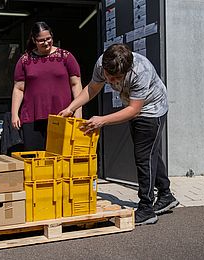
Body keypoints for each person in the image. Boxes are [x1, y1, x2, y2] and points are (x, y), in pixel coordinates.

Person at [59, 43, 179, 225]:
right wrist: (71, 107)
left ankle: (146, 208)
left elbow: (133, 110)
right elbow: (92, 88)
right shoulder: (103, 63)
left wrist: (102, 120)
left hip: (152, 109)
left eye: (118, 78)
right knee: (150, 153)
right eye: (110, 77)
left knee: (143, 156)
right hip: (134, 106)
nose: (113, 81)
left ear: (128, 70)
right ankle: (166, 194)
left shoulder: (141, 71)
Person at [11, 21, 82, 151]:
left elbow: (76, 84)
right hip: (32, 117)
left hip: (62, 116)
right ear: (34, 40)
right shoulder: (25, 60)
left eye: (48, 38)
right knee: (35, 158)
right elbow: (18, 88)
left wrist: (78, 111)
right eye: (41, 40)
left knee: (61, 158)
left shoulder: (65, 57)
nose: (46, 43)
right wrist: (14, 114)